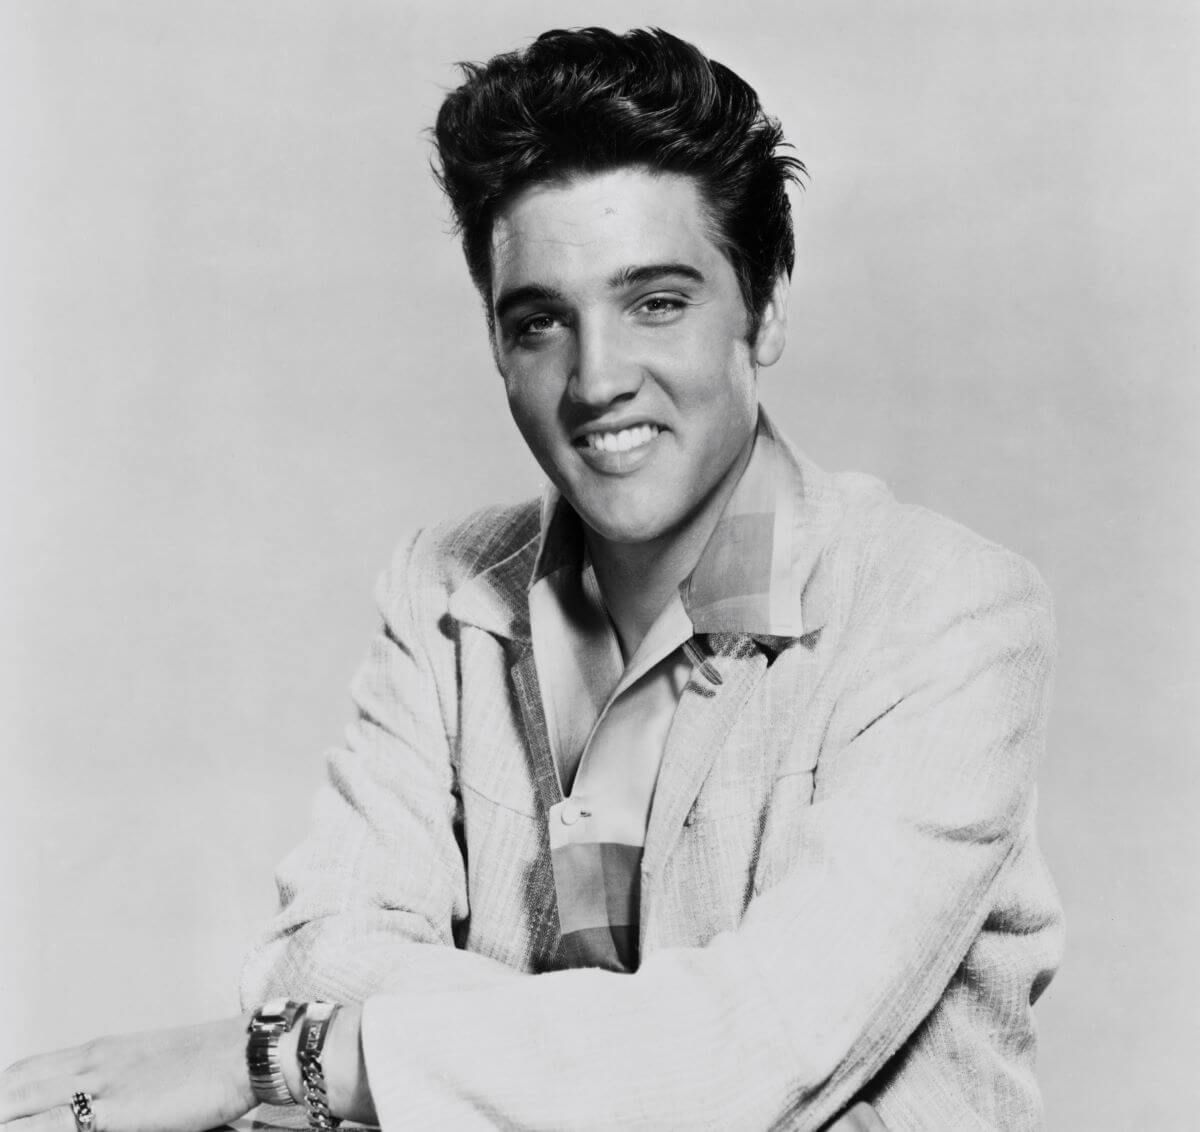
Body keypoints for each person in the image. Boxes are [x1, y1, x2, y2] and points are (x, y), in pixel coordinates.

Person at [0, 26, 1062, 1132]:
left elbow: (745, 1060)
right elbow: (318, 953)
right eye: (541, 319)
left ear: (764, 308)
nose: (598, 378)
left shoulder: (945, 611)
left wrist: (289, 1059)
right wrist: (618, 1055)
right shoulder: (445, 589)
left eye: (657, 301)